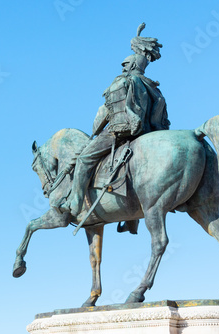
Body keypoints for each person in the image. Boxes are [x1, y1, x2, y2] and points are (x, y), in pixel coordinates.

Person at [60, 40, 170, 217]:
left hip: (119, 131)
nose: (122, 68)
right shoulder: (153, 87)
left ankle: (75, 202)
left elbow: (106, 114)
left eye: (125, 64)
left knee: (83, 160)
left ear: (132, 64)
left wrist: (96, 130)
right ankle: (130, 220)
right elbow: (158, 119)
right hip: (147, 133)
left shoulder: (122, 82)